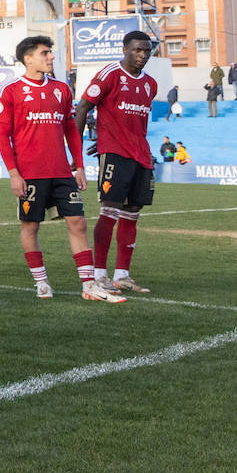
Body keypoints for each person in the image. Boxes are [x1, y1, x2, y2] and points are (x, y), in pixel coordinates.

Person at [0, 36, 103, 300]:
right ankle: (41, 281)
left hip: (62, 172)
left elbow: (71, 130)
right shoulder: (11, 91)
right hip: (30, 174)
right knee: (31, 227)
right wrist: (14, 174)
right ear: (28, 59)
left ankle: (88, 285)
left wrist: (78, 166)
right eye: (45, 53)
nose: (51, 57)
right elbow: (2, 135)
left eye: (51, 53)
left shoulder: (62, 89)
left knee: (78, 222)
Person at [75, 30, 157, 297]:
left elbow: (129, 119)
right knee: (110, 209)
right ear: (125, 49)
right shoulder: (109, 73)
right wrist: (79, 148)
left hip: (141, 153)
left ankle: (122, 275)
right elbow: (83, 107)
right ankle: (99, 275)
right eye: (137, 50)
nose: (142, 55)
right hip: (115, 153)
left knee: (133, 211)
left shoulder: (150, 84)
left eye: (146, 50)